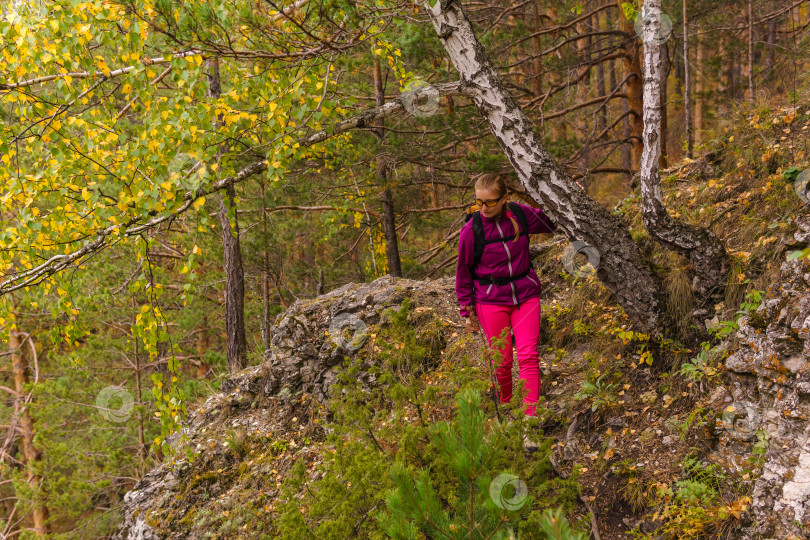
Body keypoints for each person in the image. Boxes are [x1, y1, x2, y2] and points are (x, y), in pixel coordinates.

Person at [455, 173, 557, 422]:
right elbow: (463, 273)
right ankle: (508, 407)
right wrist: (467, 312)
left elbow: (551, 222)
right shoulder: (471, 231)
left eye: (489, 202)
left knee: (528, 356)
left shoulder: (520, 215)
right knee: (502, 362)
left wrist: (565, 197)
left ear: (504, 199)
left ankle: (530, 418)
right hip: (490, 301)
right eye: (479, 201)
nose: (483, 207)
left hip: (526, 295)